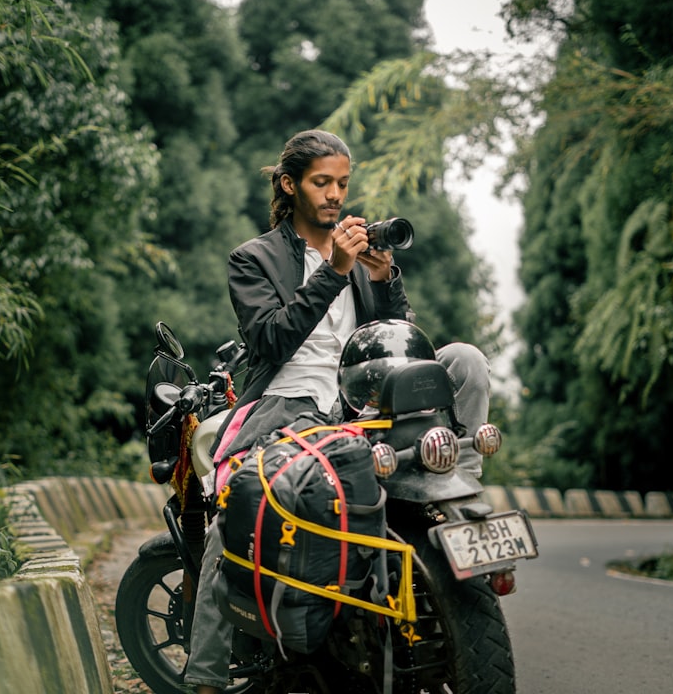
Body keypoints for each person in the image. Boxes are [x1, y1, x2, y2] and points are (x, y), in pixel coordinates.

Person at [184, 129, 492, 694]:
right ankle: (205, 679)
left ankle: (461, 489)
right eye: (321, 182)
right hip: (291, 402)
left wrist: (382, 278)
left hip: (365, 396)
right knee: (235, 513)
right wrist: (333, 271)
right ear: (289, 184)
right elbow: (271, 341)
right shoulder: (253, 259)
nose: (334, 195)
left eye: (342, 184)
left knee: (464, 359)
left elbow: (399, 337)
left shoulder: (357, 254)